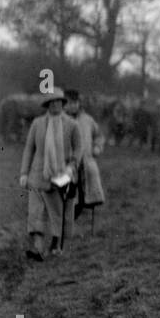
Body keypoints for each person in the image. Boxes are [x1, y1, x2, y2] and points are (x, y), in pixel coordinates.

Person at [18, 88, 83, 260]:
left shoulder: (71, 125)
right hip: (38, 175)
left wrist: (72, 167)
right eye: (51, 102)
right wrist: (24, 173)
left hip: (60, 176)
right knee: (36, 212)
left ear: (63, 103)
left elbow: (78, 149)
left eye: (58, 102)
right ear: (47, 105)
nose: (55, 105)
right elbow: (29, 149)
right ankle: (38, 249)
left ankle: (56, 243)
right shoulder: (38, 123)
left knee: (58, 213)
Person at [63, 89, 106, 224]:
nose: (73, 106)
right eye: (69, 103)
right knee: (67, 191)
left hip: (86, 160)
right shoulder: (61, 120)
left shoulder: (87, 120)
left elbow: (98, 135)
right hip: (68, 162)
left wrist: (97, 147)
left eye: (75, 103)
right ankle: (66, 217)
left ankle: (80, 211)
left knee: (85, 190)